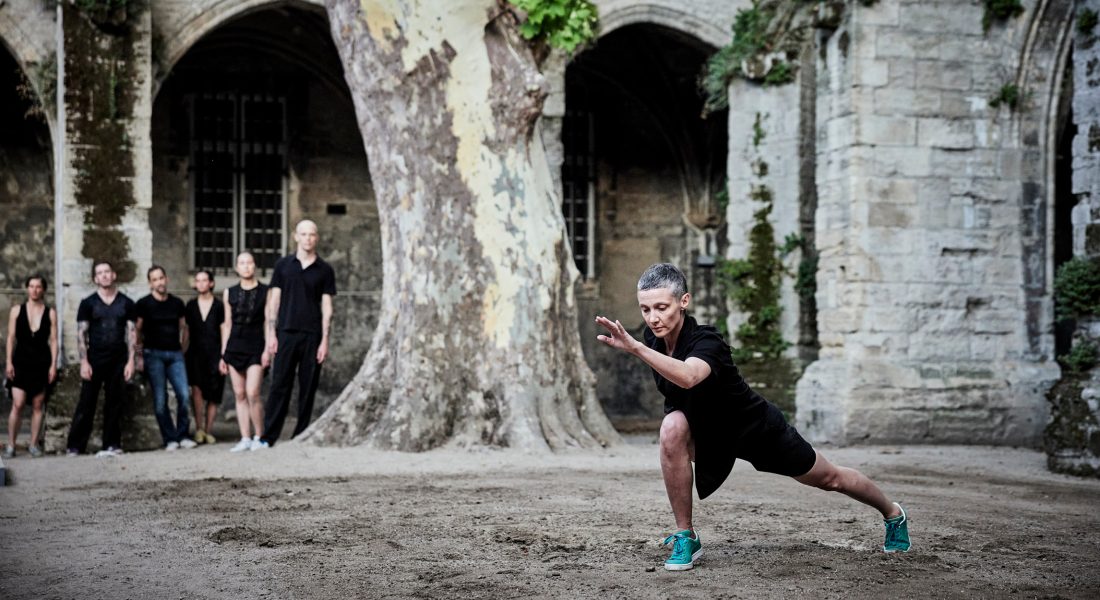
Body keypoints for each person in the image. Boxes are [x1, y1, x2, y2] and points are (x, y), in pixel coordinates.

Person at [595, 263, 911, 571]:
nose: (653, 318)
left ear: (684, 302)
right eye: (645, 309)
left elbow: (690, 376)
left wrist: (636, 348)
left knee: (830, 478)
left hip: (755, 428)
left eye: (661, 307)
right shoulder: (654, 341)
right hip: (707, 433)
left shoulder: (708, 341)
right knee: (671, 426)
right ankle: (686, 535)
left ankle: (892, 512)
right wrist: (643, 347)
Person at [258, 220, 335, 448]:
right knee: (279, 384)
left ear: (316, 238)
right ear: (296, 237)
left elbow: (327, 307)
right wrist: (271, 334)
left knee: (308, 387)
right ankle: (268, 437)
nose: (308, 238)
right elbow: (274, 301)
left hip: (312, 335)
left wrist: (325, 340)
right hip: (286, 333)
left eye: (312, 234)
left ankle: (300, 435)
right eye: (304, 234)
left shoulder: (325, 270)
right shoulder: (283, 265)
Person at [67, 261, 136, 457]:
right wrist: (84, 362)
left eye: (107, 271)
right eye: (100, 273)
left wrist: (132, 361)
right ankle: (75, 446)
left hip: (119, 359)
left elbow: (133, 336)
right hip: (95, 359)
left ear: (114, 275)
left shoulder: (127, 303)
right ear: (95, 278)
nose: (104, 275)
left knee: (115, 402)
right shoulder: (87, 303)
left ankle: (112, 444)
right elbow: (81, 335)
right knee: (86, 402)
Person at [135, 265, 196, 451]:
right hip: (153, 355)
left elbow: (184, 327)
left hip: (175, 355)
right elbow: (136, 330)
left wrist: (183, 349)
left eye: (161, 278)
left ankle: (183, 435)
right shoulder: (143, 304)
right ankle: (170, 438)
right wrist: (139, 355)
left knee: (184, 395)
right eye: (155, 279)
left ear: (166, 279)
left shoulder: (177, 303)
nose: (159, 282)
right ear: (150, 283)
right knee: (160, 400)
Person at [4, 275, 58, 458]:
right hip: (20, 362)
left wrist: (53, 365)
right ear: (27, 289)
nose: (34, 290)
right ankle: (11, 445)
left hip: (41, 364)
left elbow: (54, 340)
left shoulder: (50, 313)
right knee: (18, 404)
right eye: (31, 286)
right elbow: (11, 338)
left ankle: (33, 444)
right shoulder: (16, 311)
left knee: (37, 404)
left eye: (38, 287)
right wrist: (9, 362)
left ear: (43, 289)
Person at [221, 252, 269, 452]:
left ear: (254, 266)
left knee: (253, 392)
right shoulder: (228, 292)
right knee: (239, 394)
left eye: (249, 262)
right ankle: (245, 438)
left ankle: (259, 436)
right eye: (242, 263)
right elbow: (227, 324)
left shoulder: (266, 291)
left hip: (256, 346)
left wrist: (268, 350)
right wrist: (223, 354)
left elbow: (268, 322)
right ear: (237, 267)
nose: (246, 266)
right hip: (234, 347)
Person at [185, 270, 225, 445]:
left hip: (215, 352)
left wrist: (224, 354)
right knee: (196, 391)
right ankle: (199, 429)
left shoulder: (219, 306)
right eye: (198, 280)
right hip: (194, 353)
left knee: (214, 392)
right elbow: (185, 331)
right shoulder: (190, 306)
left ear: (211, 283)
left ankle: (209, 430)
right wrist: (181, 351)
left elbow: (224, 329)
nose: (201, 283)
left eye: (204, 280)